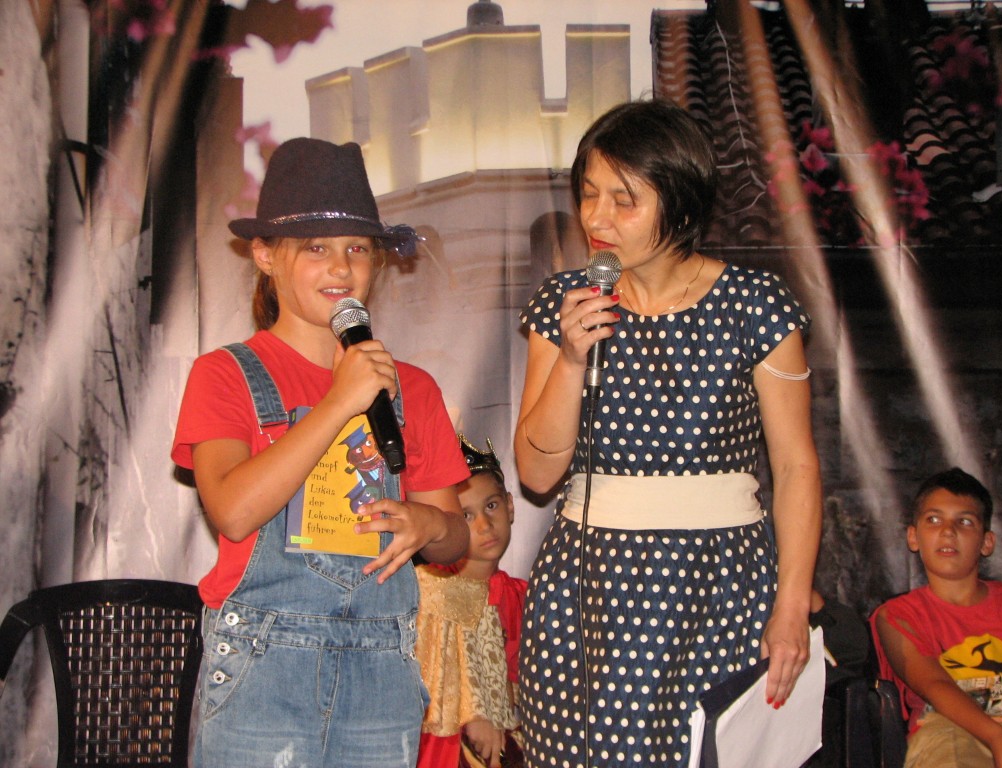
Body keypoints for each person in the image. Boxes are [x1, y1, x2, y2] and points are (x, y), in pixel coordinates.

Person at [514, 97, 822, 767]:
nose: (597, 217)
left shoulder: (756, 305)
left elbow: (796, 467)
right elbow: (536, 474)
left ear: (680, 203)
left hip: (720, 584)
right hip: (588, 592)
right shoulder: (565, 303)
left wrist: (792, 603)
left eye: (624, 200)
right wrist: (571, 360)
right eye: (588, 193)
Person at [171, 137, 470, 768]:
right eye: (315, 248)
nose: (340, 267)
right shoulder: (225, 374)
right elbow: (233, 511)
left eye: (357, 249)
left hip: (381, 670)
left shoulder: (413, 388)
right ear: (265, 256)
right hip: (262, 665)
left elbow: (453, 540)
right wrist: (339, 403)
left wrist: (429, 524)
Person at [871, 467, 1002, 768]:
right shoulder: (897, 615)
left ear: (987, 542)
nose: (948, 531)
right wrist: (996, 736)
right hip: (946, 729)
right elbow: (933, 684)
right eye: (933, 519)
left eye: (964, 521)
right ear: (913, 537)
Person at [416, 435, 527, 768]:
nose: (484, 525)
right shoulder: (431, 588)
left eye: (491, 506)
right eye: (465, 516)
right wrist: (475, 714)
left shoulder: (522, 595)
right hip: (446, 742)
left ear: (510, 506)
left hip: (509, 739)